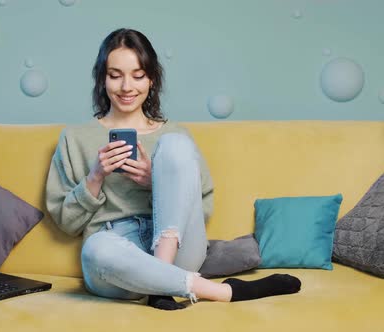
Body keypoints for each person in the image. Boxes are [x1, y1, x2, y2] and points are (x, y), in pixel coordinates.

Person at [45, 28, 301, 310]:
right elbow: (66, 224)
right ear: (102, 79)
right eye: (115, 75)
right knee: (95, 248)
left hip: (174, 245)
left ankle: (161, 278)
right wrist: (95, 177)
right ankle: (223, 291)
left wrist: (155, 182)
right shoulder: (75, 138)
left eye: (138, 75)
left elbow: (200, 210)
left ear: (152, 78)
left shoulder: (176, 137)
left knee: (176, 143)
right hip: (117, 258)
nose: (126, 87)